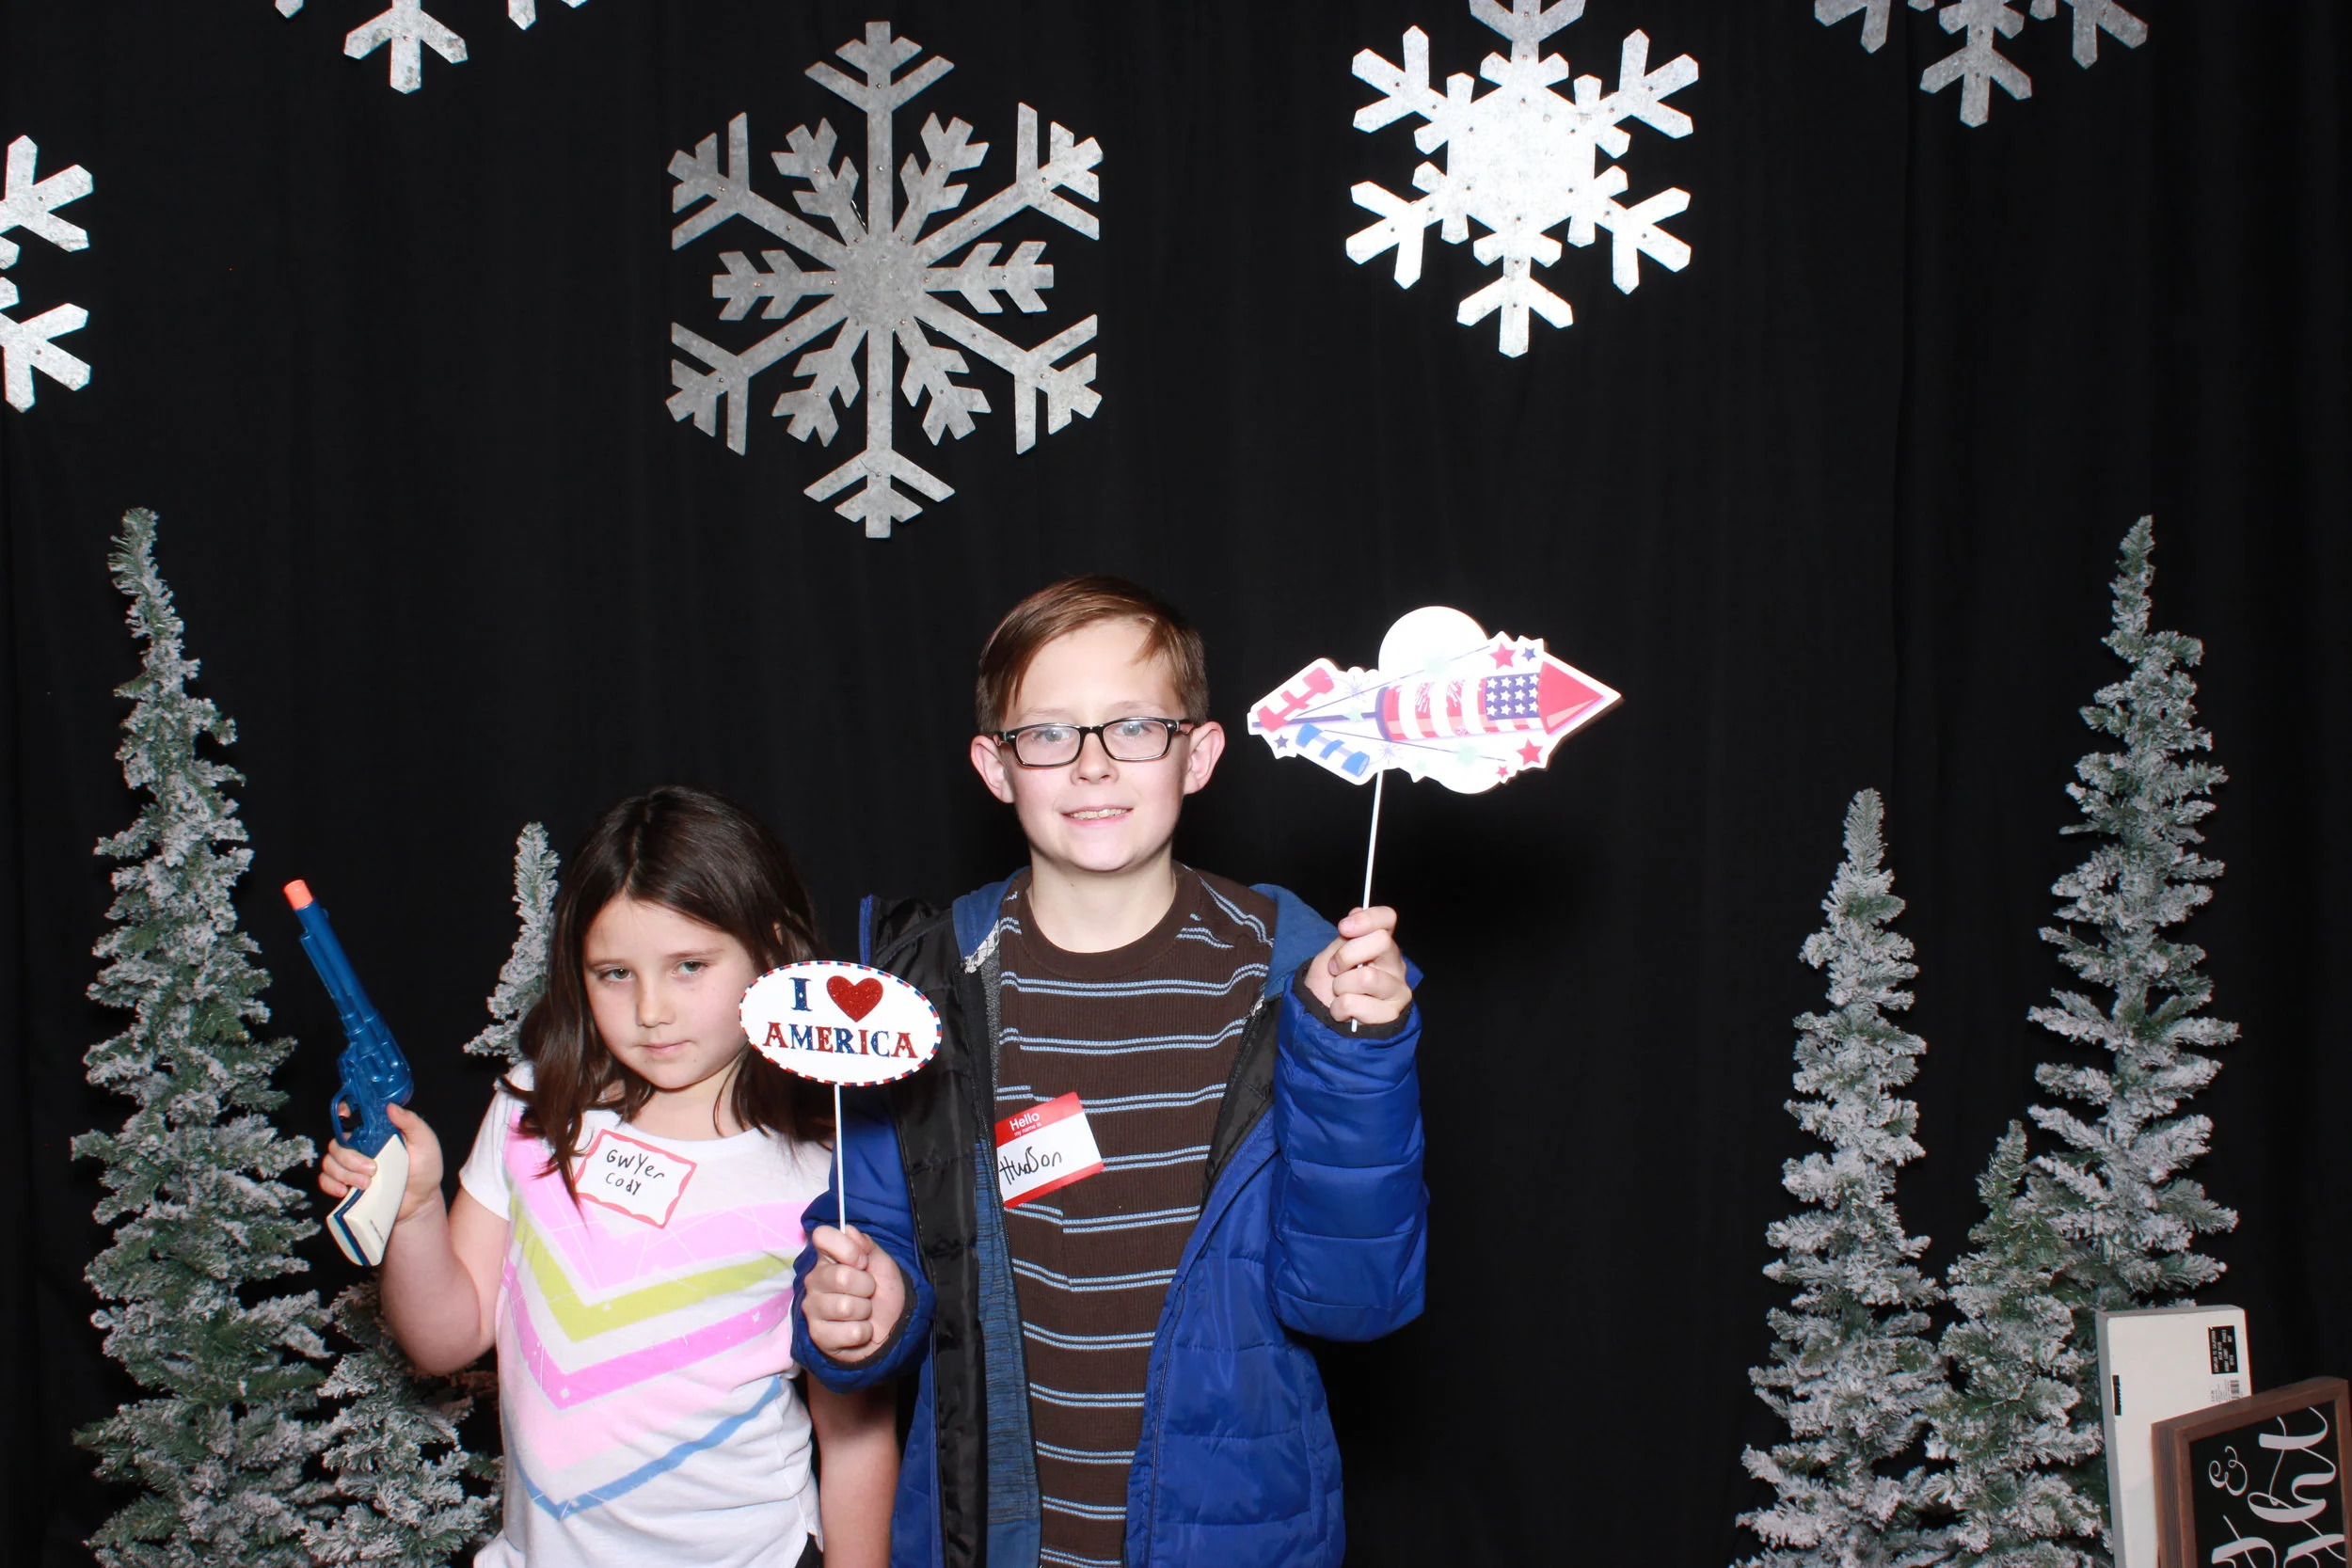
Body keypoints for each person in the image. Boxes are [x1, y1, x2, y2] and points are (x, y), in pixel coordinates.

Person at [793, 578, 1427, 1568]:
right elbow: (878, 1243)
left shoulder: (1297, 977)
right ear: (996, 766)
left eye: (1134, 726)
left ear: (1197, 754)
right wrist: (864, 1308)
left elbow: (1353, 1298)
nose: (1092, 763)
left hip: (1234, 1536)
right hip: (992, 1533)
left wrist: (1355, 1060)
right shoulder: (925, 983)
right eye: (1049, 733)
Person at [318, 786, 897, 1568]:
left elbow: (856, 1438)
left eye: (689, 966)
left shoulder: (826, 1171)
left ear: (769, 952)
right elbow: (442, 1340)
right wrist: (415, 1209)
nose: (651, 1008)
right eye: (615, 973)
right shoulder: (534, 1108)